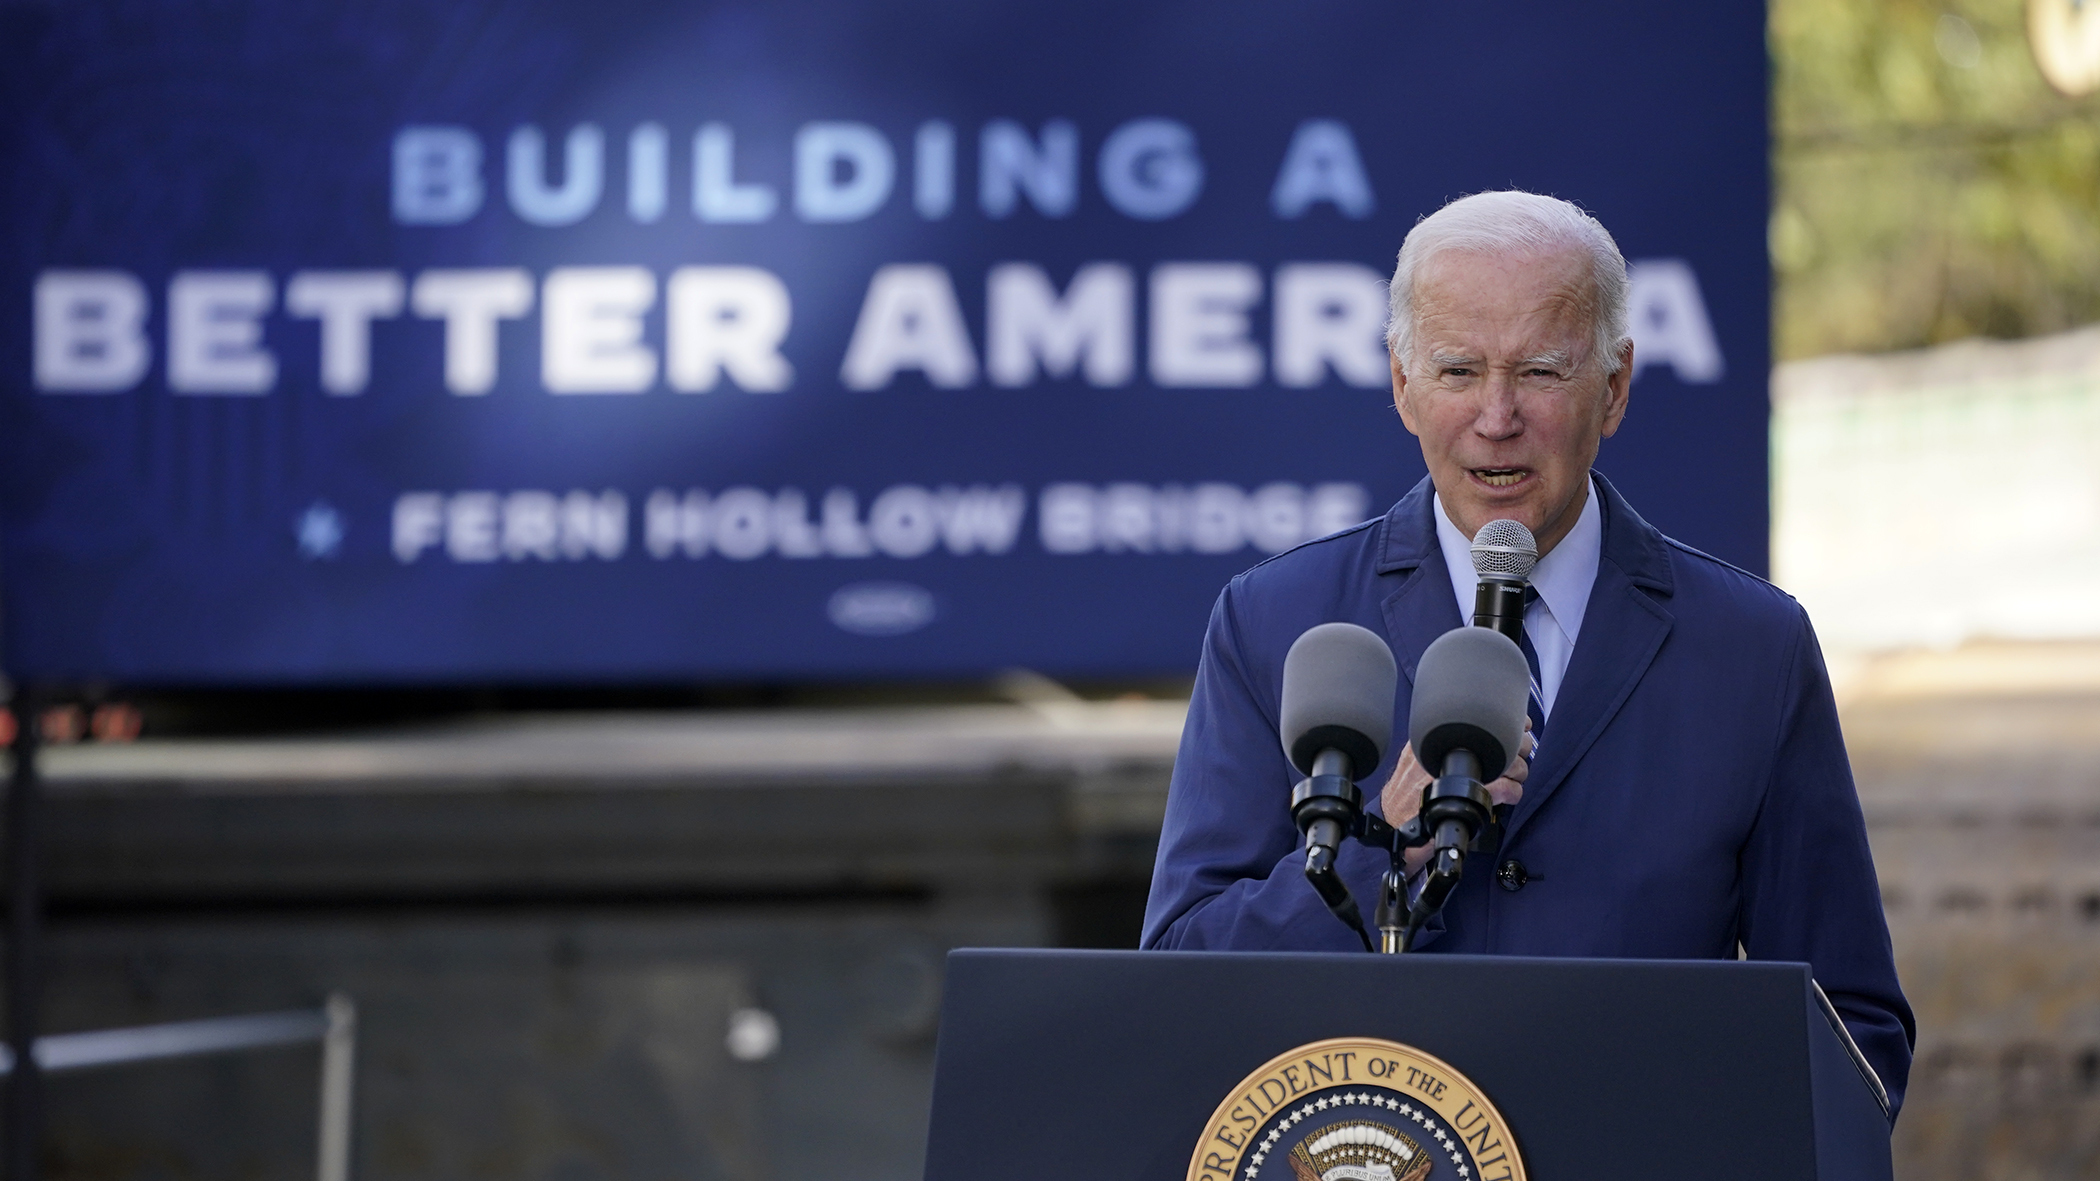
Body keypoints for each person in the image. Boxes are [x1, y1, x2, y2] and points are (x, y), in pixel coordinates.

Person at [1140, 191, 1915, 1116]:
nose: (1496, 416)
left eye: (1541, 372)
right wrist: (1388, 847)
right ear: (1400, 384)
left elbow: (1850, 1030)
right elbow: (1178, 983)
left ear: (1616, 387)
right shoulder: (1272, 623)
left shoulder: (1754, 647)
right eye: (1457, 370)